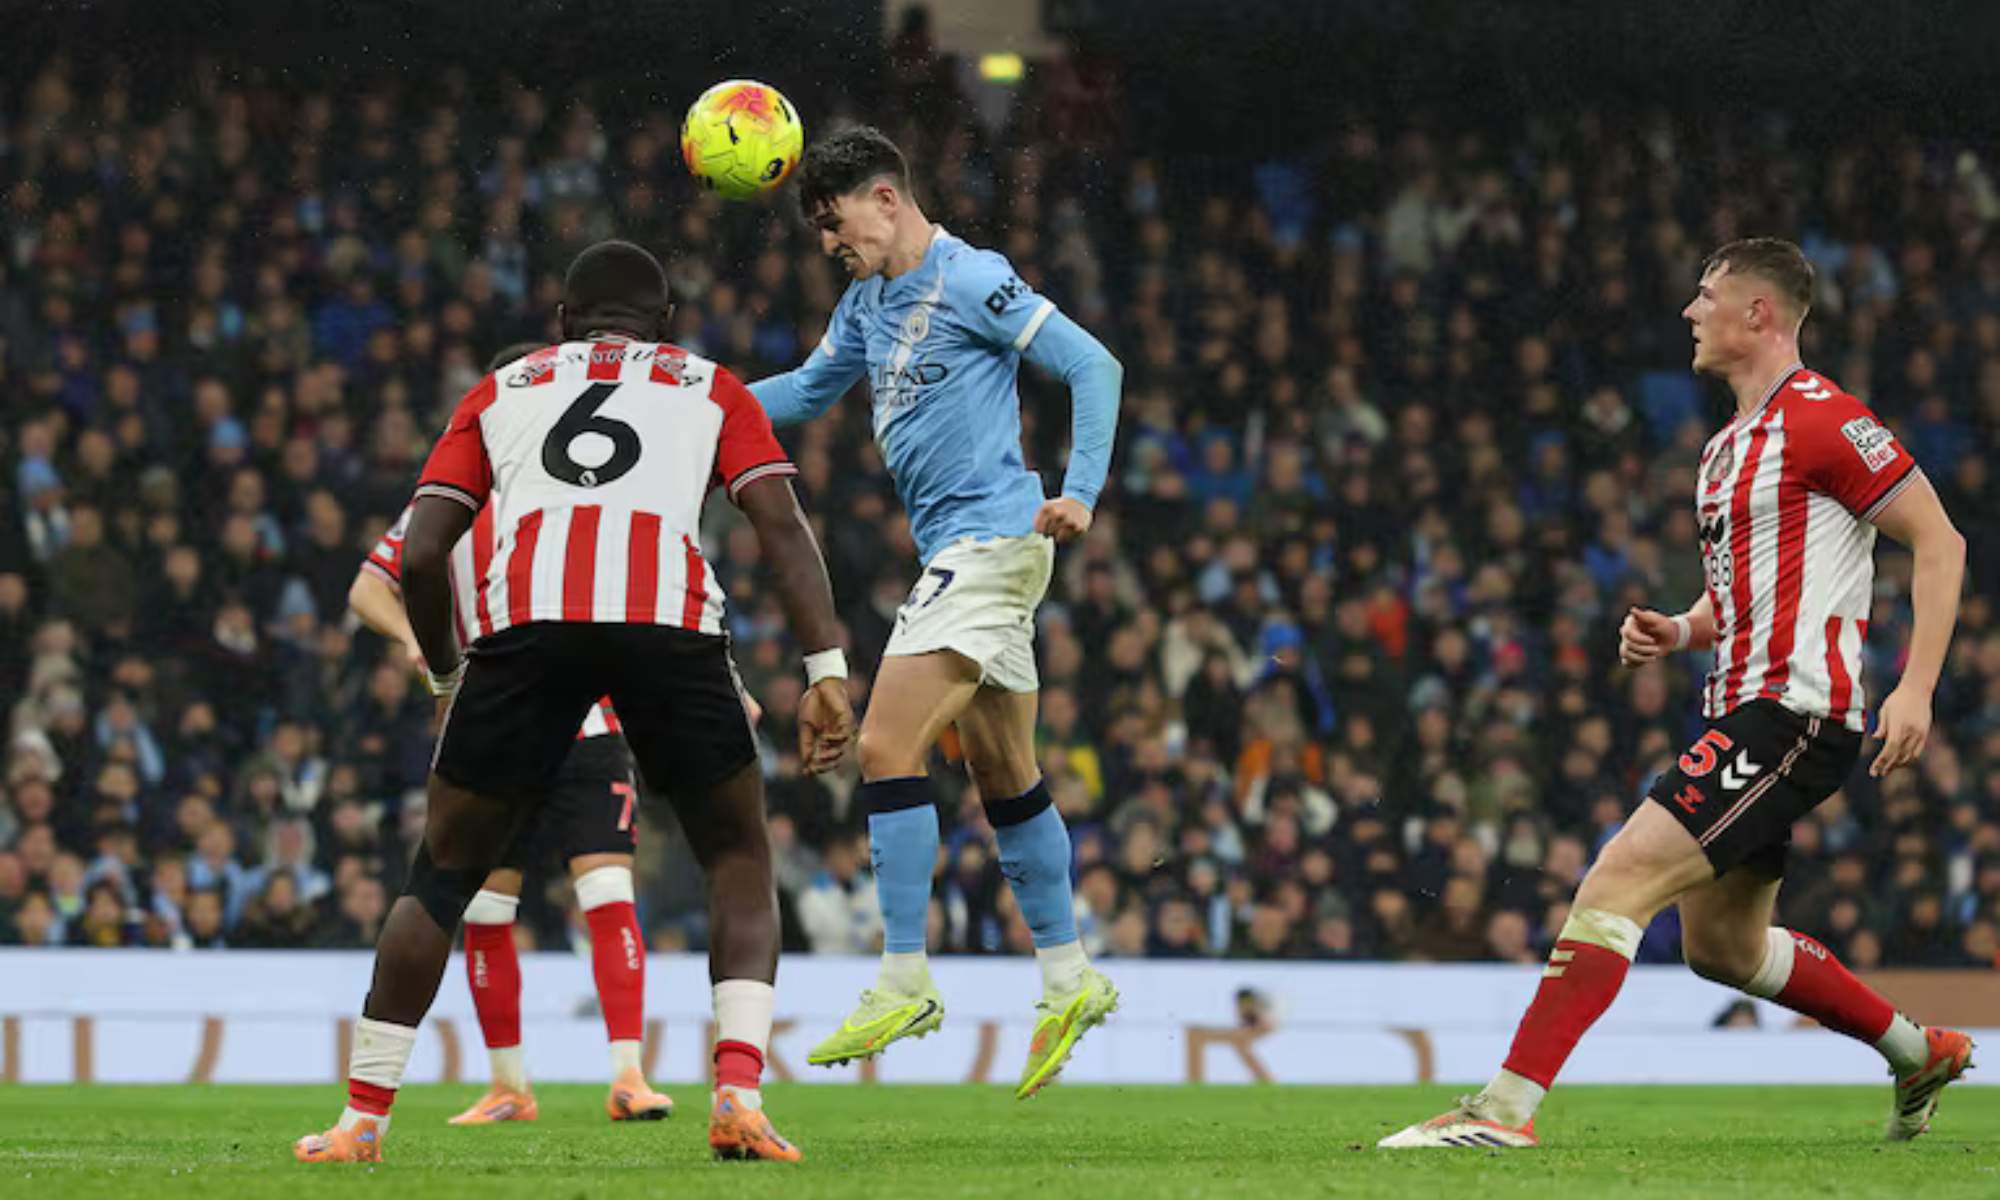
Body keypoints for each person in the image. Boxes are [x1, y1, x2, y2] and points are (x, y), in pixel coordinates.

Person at [1381, 238, 1973, 1149]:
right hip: (1741, 708)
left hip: (1796, 712)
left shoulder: (1826, 418)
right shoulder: (1726, 448)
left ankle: (1501, 1113)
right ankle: (1916, 1050)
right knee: (1723, 950)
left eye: (1706, 295)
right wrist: (1681, 629)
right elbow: (1741, 595)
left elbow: (1939, 541)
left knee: (1617, 879)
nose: (1691, 312)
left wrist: (1917, 686)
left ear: (1758, 313)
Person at [295, 240, 853, 1166]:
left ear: (561, 322)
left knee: (442, 876)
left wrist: (447, 677)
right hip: (668, 624)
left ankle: (361, 1123)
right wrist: (825, 666)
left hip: (529, 629)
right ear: (664, 324)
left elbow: (423, 554)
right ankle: (738, 1098)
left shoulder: (497, 392)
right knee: (735, 855)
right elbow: (781, 526)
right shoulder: (713, 386)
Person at [749, 126, 1124, 1098]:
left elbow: (1095, 366)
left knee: (884, 747)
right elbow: (804, 392)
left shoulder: (972, 279)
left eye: (835, 222)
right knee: (1004, 772)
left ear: (885, 198)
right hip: (967, 549)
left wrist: (1081, 490)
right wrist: (699, 400)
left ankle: (903, 978)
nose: (830, 243)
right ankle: (1069, 977)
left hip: (990, 543)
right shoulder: (866, 304)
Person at [344, 340, 675, 1126]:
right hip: (510, 724)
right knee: (501, 908)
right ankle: (514, 1085)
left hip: (564, 724)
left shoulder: (531, 495)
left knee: (599, 893)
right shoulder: (473, 501)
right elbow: (368, 587)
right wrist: (420, 645)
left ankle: (624, 1077)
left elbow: (369, 588)